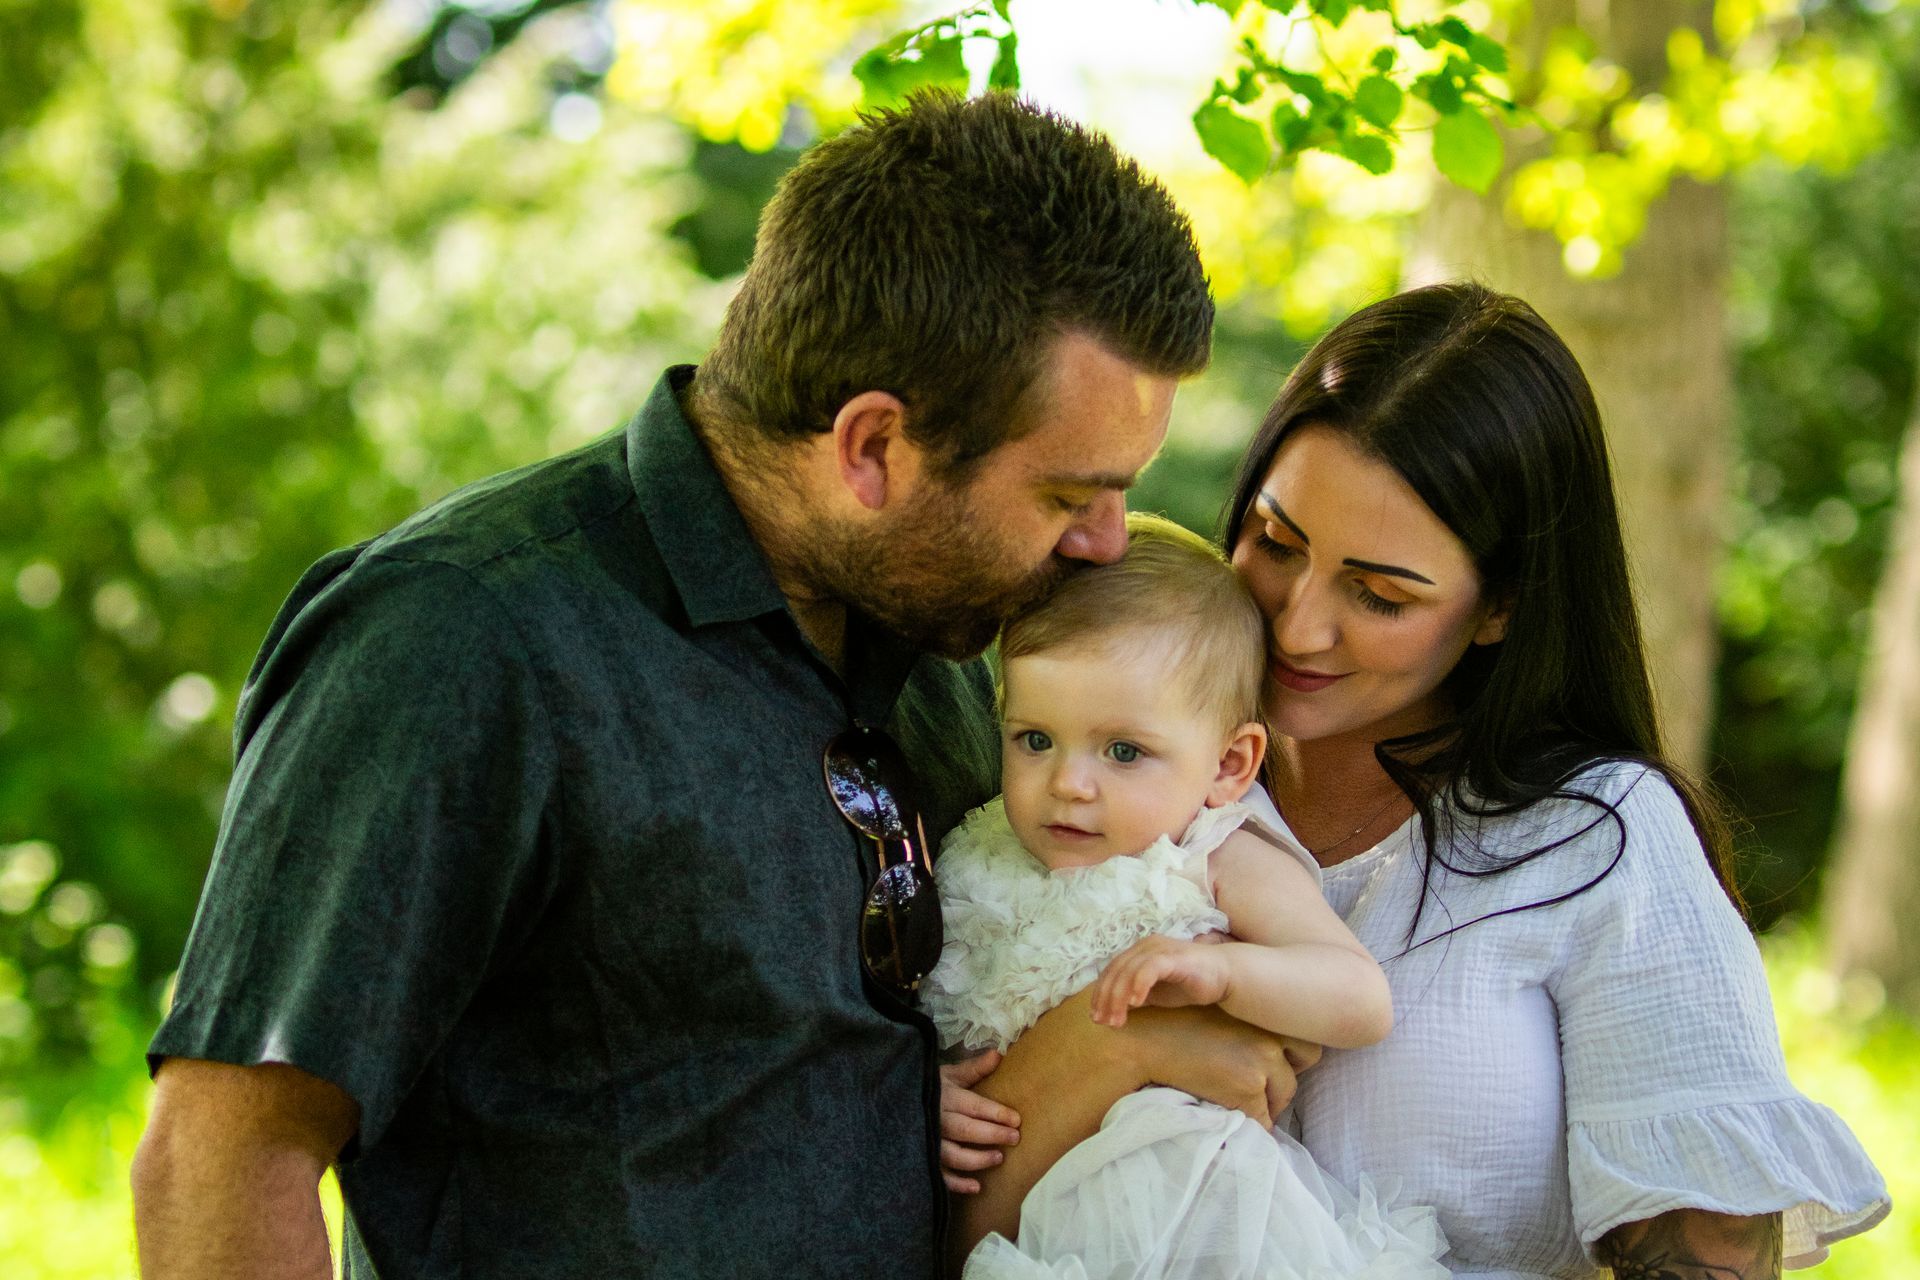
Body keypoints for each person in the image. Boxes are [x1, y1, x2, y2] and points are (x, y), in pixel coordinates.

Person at [128, 92, 1280, 1280]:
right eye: (1065, 495)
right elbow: (226, 1154)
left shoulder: (949, 656)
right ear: (872, 446)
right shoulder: (463, 638)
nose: (1104, 541)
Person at [942, 283, 1889, 1279]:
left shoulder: (1594, 838)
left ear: (1499, 609)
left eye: (1380, 592)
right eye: (1276, 542)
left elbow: (1707, 1257)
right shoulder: (1113, 784)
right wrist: (1113, 1048)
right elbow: (955, 1237)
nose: (1298, 624)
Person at [925, 514, 1448, 1279]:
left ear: (1230, 763)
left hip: (1205, 1218)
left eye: (1125, 751)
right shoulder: (971, 851)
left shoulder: (1212, 854)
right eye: (1034, 739)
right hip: (1034, 1234)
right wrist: (924, 1098)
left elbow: (1359, 999)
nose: (1067, 784)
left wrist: (1225, 976)